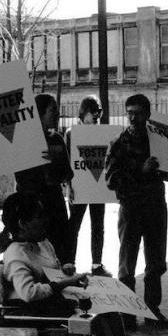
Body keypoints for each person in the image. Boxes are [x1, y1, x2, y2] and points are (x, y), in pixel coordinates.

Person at [0, 191, 151, 336]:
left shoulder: (43, 243)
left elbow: (53, 270)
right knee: (96, 318)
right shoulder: (16, 255)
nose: (46, 220)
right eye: (39, 217)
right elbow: (28, 293)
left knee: (112, 310)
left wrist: (65, 271)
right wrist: (61, 283)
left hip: (58, 299)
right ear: (22, 223)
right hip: (40, 311)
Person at [105, 94, 168, 331]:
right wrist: (141, 170)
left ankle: (151, 310)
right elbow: (111, 179)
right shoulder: (119, 142)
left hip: (155, 208)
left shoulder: (158, 141)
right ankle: (128, 313)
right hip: (131, 209)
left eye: (138, 113)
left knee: (156, 262)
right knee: (127, 264)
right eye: (129, 113)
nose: (133, 118)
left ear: (148, 114)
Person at [0, 93, 73, 264]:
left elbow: (67, 174)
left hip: (55, 206)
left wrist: (55, 161)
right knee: (33, 257)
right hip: (30, 208)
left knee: (60, 254)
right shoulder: (18, 141)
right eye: (53, 111)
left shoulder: (57, 140)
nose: (58, 114)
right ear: (39, 114)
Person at [65, 95, 111, 277]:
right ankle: (70, 262)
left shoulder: (103, 133)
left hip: (97, 185)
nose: (96, 116)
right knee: (74, 225)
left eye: (98, 112)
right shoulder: (71, 134)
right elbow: (68, 161)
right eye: (93, 112)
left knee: (98, 225)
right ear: (83, 113)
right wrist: (69, 185)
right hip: (79, 185)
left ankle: (97, 264)